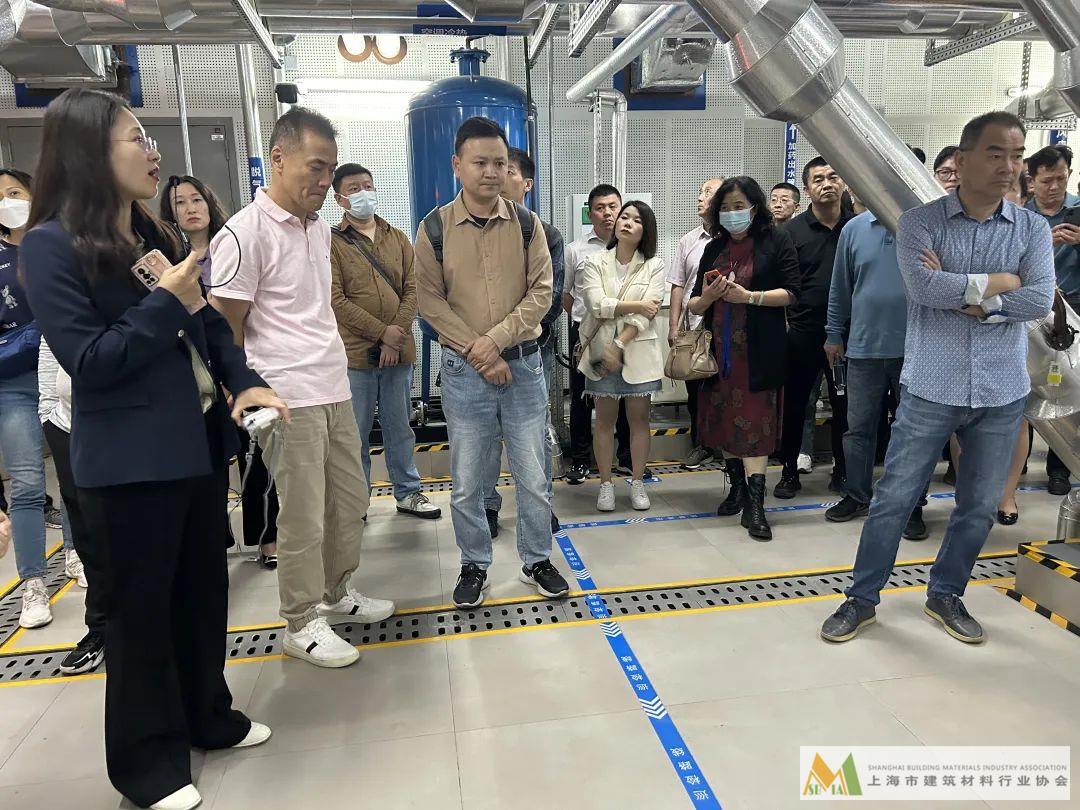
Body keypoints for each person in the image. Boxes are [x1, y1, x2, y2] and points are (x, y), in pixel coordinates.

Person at [22, 87, 285, 810]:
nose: (152, 150)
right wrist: (164, 297)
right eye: (135, 137)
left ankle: (208, 717)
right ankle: (148, 767)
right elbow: (92, 361)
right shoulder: (49, 245)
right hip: (129, 464)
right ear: (87, 151)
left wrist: (244, 381)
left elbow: (205, 326)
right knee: (141, 617)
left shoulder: (147, 232)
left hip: (194, 445)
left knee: (201, 594)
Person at [820, 111, 1054, 646]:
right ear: (964, 159)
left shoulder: (1032, 229)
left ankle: (946, 593)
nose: (1009, 166)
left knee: (979, 505)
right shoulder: (921, 224)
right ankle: (861, 599)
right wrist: (1003, 284)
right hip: (931, 387)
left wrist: (975, 298)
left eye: (1016, 155)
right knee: (894, 499)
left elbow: (1039, 299)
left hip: (1001, 391)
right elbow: (924, 290)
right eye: (996, 153)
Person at [211, 107, 395, 669]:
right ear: (278, 158)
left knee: (350, 501)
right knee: (304, 515)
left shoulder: (317, 228)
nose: (326, 181)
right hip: (285, 396)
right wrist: (242, 395)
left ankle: (337, 592)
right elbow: (225, 327)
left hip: (333, 384)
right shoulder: (244, 232)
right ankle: (301, 620)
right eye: (316, 167)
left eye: (331, 169)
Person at [414, 116, 569, 610]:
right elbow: (429, 301)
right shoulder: (434, 229)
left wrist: (495, 342)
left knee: (533, 475)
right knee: (468, 481)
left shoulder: (528, 226)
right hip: (465, 375)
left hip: (523, 367)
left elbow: (541, 293)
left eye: (499, 163)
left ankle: (537, 559)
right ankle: (473, 564)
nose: (491, 172)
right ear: (457, 165)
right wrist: (480, 354)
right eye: (480, 162)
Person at [160, 173, 281, 567]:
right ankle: (217, 536)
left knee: (258, 457)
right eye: (180, 203)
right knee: (207, 460)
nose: (191, 209)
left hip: (245, 368)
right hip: (193, 378)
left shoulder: (235, 243)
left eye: (196, 199)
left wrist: (236, 378)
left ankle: (266, 537)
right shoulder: (166, 258)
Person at [822, 148, 931, 541]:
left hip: (917, 350)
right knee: (858, 429)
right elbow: (840, 288)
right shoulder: (854, 229)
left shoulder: (928, 229)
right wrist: (834, 334)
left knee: (914, 432)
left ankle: (911, 505)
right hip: (864, 349)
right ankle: (856, 494)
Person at [689, 177, 799, 540]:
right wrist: (709, 297)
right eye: (725, 208)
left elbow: (793, 293)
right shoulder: (714, 247)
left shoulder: (776, 241)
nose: (732, 213)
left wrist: (749, 297)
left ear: (754, 207)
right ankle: (736, 487)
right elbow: (694, 303)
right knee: (724, 422)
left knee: (755, 426)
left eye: (739, 206)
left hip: (758, 353)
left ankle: (756, 504)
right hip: (720, 356)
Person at [328, 162, 440, 521]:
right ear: (339, 198)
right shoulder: (331, 243)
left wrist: (394, 337)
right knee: (355, 434)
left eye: (367, 186)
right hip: (355, 357)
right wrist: (382, 333)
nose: (363, 193)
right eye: (354, 189)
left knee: (400, 429)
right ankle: (355, 503)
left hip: (399, 353)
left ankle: (408, 493)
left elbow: (413, 288)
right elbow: (335, 299)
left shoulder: (398, 238)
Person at [0, 166, 70, 631]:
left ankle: (79, 554)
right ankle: (33, 582)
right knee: (26, 483)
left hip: (66, 373)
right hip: (13, 384)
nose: (7, 202)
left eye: (14, 192)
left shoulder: (60, 243)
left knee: (74, 474)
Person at [482, 147, 563, 537]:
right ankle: (487, 506)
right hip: (478, 356)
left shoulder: (545, 233)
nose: (498, 176)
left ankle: (540, 506)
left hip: (531, 353)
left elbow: (550, 297)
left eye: (507, 169)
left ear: (527, 183)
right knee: (484, 437)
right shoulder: (468, 230)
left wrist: (506, 337)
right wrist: (486, 345)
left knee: (534, 438)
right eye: (491, 167)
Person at [577, 200, 666, 512]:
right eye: (624, 217)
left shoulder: (654, 265)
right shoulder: (594, 261)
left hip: (637, 351)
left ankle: (637, 481)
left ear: (646, 230)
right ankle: (605, 484)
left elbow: (649, 313)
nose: (627, 222)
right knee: (604, 421)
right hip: (600, 352)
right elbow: (596, 304)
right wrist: (636, 305)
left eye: (636, 220)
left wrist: (620, 343)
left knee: (639, 420)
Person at [775, 157, 852, 499]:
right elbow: (780, 283)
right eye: (818, 179)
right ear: (807, 189)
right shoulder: (790, 232)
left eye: (833, 176)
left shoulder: (856, 227)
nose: (827, 183)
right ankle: (789, 472)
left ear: (843, 183)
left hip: (848, 333)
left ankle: (843, 471)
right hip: (803, 332)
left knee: (844, 406)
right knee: (795, 405)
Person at [38, 336, 106, 674]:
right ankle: (100, 628)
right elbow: (49, 359)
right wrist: (51, 421)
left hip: (131, 432)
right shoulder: (59, 309)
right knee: (89, 540)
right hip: (69, 429)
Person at [563, 184, 636, 483]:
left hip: (625, 332)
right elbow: (566, 293)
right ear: (590, 213)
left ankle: (627, 458)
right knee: (583, 397)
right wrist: (586, 323)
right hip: (586, 334)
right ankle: (581, 460)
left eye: (612, 206)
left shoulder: (634, 248)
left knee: (628, 394)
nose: (607, 213)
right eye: (600, 208)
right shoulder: (575, 250)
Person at [1023, 144, 1080, 498]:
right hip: (1032, 312)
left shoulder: (1078, 212)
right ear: (1032, 181)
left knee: (1069, 392)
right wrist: (1043, 242)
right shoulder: (1020, 217)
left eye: (1061, 178)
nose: (1055, 187)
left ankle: (1060, 469)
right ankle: (1018, 461)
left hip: (1073, 311)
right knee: (1030, 389)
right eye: (1047, 181)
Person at [668, 177, 723, 470]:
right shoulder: (688, 241)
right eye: (700, 192)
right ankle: (701, 445)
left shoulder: (736, 240)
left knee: (726, 388)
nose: (700, 197)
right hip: (694, 329)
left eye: (707, 192)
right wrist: (673, 327)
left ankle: (729, 446)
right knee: (695, 392)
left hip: (727, 328)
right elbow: (678, 285)